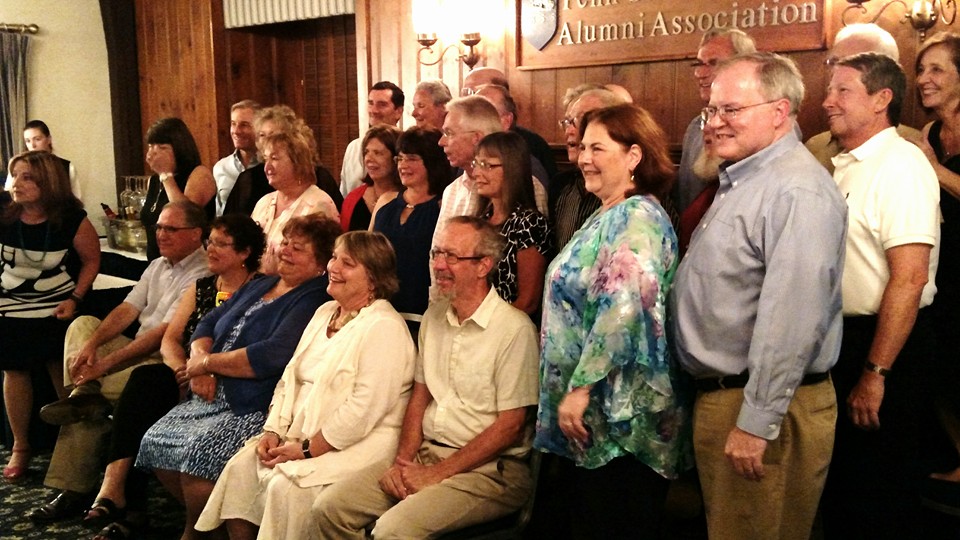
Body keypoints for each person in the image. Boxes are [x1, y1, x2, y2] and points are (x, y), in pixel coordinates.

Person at [672, 53, 848, 540]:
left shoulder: (795, 190)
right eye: (711, 110)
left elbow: (792, 319)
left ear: (779, 111)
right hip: (731, 399)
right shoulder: (744, 177)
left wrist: (756, 422)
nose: (716, 123)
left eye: (732, 109)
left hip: (762, 406)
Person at [312, 216, 540, 539]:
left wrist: (435, 474)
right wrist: (403, 463)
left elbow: (510, 427)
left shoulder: (514, 330)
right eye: (437, 254)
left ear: (483, 265)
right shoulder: (434, 317)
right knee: (329, 509)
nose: (440, 265)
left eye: (452, 256)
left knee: (392, 531)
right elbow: (420, 397)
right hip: (428, 453)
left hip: (491, 471)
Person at [534, 104, 692, 539]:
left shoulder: (636, 216)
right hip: (595, 419)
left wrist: (581, 389)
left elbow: (624, 309)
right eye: (582, 146)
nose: (583, 157)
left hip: (620, 420)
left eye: (597, 147)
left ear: (634, 156)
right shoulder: (606, 213)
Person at [196, 231, 417, 540]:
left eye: (347, 263)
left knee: (285, 487)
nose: (333, 268)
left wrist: (306, 449)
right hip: (297, 434)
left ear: (374, 279)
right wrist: (272, 431)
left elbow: (362, 412)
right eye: (334, 258)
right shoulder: (324, 312)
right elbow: (290, 378)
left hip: (357, 445)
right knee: (241, 468)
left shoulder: (384, 328)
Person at [136, 214, 337, 540]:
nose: (285, 250)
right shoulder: (260, 282)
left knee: (196, 455)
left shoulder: (313, 297)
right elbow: (208, 322)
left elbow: (271, 355)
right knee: (154, 441)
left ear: (321, 263)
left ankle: (193, 532)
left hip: (250, 403)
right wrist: (200, 359)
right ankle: (209, 528)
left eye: (297, 248)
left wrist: (208, 364)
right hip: (210, 390)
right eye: (284, 242)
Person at [819, 53, 942, 540]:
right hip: (846, 340)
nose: (828, 102)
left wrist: (875, 373)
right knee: (847, 488)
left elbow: (909, 279)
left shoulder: (900, 165)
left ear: (881, 99)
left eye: (842, 91)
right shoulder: (847, 164)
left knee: (878, 492)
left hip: (887, 345)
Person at [82, 214, 265, 539]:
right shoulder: (201, 287)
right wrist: (184, 368)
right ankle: (121, 496)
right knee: (146, 383)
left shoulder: (261, 288)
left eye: (221, 244)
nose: (211, 249)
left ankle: (125, 500)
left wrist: (203, 368)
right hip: (185, 372)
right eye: (211, 242)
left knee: (142, 391)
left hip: (231, 378)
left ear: (244, 252)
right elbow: (171, 338)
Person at [27, 201, 210, 525]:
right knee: (82, 324)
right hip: (133, 349)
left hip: (160, 362)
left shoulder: (202, 271)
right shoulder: (157, 266)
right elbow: (127, 310)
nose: (161, 234)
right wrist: (94, 346)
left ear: (196, 234)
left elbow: (160, 336)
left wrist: (104, 364)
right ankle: (85, 392)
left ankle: (73, 489)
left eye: (171, 228)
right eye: (159, 227)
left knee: (91, 409)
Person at [0, 151, 100, 481]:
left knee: (63, 375)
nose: (17, 183)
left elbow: (91, 261)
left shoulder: (71, 218)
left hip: (56, 309)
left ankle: (72, 449)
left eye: (27, 177)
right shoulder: (4, 213)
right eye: (15, 176)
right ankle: (21, 445)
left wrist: (75, 298)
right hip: (10, 308)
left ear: (48, 181)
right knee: (14, 373)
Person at [911, 30, 960, 500]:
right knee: (942, 367)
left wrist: (932, 167)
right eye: (922, 69)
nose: (924, 79)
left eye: (937, 69)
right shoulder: (930, 132)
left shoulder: (929, 146)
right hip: (945, 268)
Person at [804, 23, 921, 173]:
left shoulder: (912, 150)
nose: (837, 71)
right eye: (834, 62)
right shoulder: (815, 147)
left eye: (853, 63)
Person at [435, 96, 547, 248]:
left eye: (449, 133)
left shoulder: (527, 185)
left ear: (476, 138)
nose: (441, 141)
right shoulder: (453, 190)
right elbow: (438, 249)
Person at [372, 127, 452, 336]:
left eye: (412, 159)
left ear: (432, 161)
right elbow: (367, 254)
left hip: (424, 315)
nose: (403, 165)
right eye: (400, 159)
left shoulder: (444, 206)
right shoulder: (385, 201)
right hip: (380, 310)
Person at [674, 29, 756, 215]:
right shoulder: (695, 128)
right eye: (699, 64)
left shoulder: (759, 126)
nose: (700, 73)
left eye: (713, 63)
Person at [472, 131, 550, 315]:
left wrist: (493, 328)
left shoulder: (529, 223)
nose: (476, 173)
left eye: (487, 165)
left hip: (510, 330)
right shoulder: (482, 219)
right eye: (476, 163)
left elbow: (528, 301)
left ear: (511, 169)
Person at [224, 104, 342, 216]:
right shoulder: (249, 179)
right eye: (262, 135)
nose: (266, 141)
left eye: (273, 136)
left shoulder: (319, 176)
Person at [252, 131, 339, 275]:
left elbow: (321, 264)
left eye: (274, 158)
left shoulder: (318, 204)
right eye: (265, 159)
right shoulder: (264, 202)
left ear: (297, 163)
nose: (267, 167)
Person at [550, 86, 624, 249]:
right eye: (567, 122)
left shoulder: (640, 202)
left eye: (581, 121)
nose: (569, 130)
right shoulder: (561, 186)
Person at [140, 118, 217, 260]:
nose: (154, 154)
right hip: (158, 263)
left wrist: (165, 174)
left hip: (190, 263)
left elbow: (183, 214)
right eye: (151, 146)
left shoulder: (199, 174)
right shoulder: (154, 180)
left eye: (162, 148)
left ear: (180, 149)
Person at [340, 81, 404, 198]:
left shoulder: (406, 148)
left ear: (398, 112)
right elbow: (344, 192)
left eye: (382, 104)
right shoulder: (353, 148)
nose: (374, 111)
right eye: (371, 103)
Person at [339, 126, 401, 231]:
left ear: (396, 158)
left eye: (378, 153)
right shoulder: (353, 198)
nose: (368, 158)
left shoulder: (407, 199)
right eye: (366, 152)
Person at [4, 120, 82, 198]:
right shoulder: (18, 167)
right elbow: (10, 195)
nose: (32, 145)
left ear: (49, 139)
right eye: (28, 141)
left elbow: (77, 199)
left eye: (37, 139)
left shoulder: (66, 167)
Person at [213, 100, 261, 216]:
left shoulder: (271, 167)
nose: (236, 131)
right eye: (233, 124)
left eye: (244, 125)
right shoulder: (221, 167)